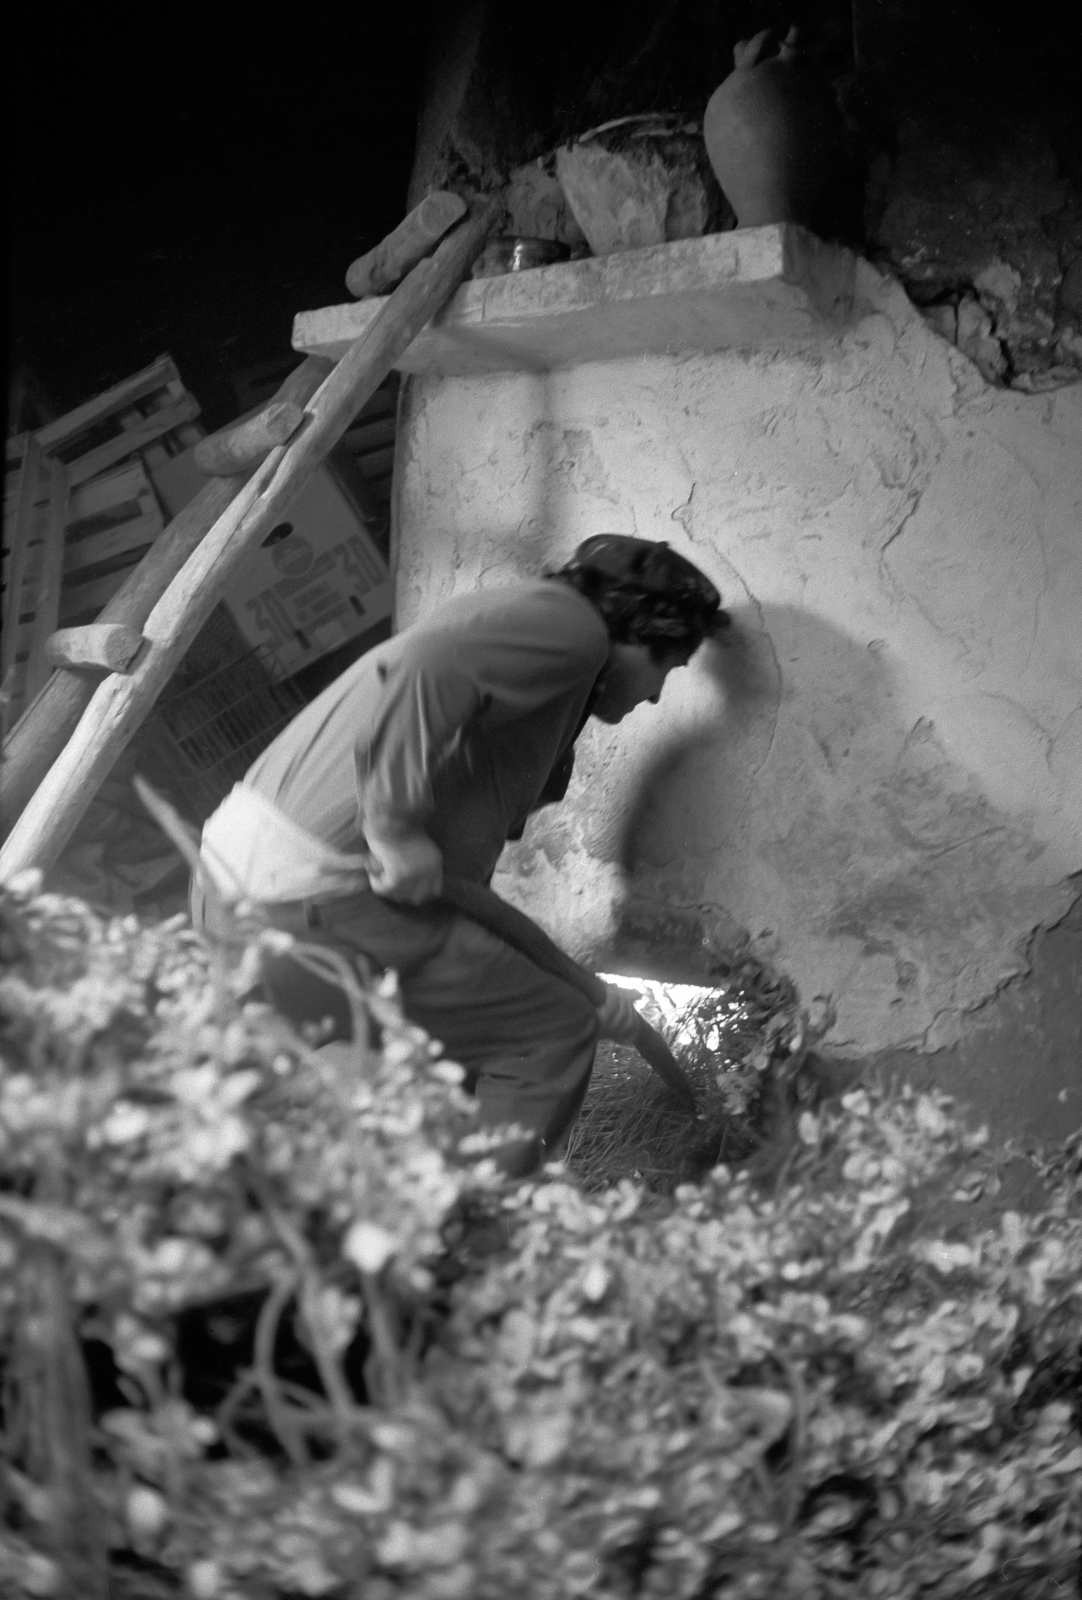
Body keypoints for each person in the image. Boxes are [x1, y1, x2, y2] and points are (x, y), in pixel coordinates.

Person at [193, 534, 729, 1176]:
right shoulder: (573, 628)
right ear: (641, 631)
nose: (655, 696)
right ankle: (466, 1231)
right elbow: (426, 666)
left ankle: (374, 1207)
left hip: (235, 884)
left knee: (431, 1067)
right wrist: (393, 829)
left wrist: (580, 981)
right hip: (316, 885)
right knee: (549, 1035)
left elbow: (460, 894)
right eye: (668, 667)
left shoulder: (537, 682)